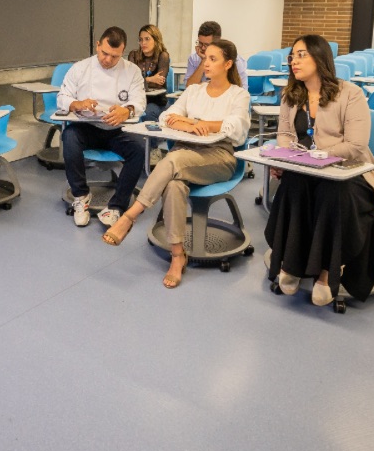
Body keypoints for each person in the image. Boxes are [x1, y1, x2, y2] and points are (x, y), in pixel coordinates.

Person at [102, 39, 250, 289]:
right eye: (205, 58)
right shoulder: (194, 91)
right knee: (173, 186)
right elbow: (166, 116)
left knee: (173, 159)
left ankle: (130, 215)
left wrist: (201, 123)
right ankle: (177, 256)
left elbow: (236, 128)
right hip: (185, 152)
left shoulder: (238, 94)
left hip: (219, 157)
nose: (207, 63)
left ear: (228, 64)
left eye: (213, 59)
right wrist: (192, 125)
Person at [265, 34, 374, 306]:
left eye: (302, 54)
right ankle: (292, 263)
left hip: (350, 174)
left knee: (333, 191)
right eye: (292, 56)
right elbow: (284, 134)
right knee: (293, 185)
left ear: (320, 58)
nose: (294, 61)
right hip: (304, 171)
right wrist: (286, 158)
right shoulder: (290, 95)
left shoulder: (350, 93)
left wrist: (317, 156)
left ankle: (328, 270)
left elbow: (355, 145)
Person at [57, 26, 146, 228]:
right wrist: (76, 104)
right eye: (104, 53)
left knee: (138, 151)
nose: (108, 60)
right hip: (86, 126)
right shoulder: (80, 68)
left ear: (122, 52)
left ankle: (116, 206)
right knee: (69, 137)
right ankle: (81, 196)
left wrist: (128, 110)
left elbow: (140, 101)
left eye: (114, 56)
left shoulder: (132, 71)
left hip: (117, 130)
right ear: (98, 45)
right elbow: (62, 97)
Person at [185, 20, 248, 88]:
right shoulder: (194, 58)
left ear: (217, 42)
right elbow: (189, 87)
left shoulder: (234, 59)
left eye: (207, 45)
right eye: (200, 43)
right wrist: (203, 61)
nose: (202, 48)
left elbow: (242, 89)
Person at [127, 24, 170, 123]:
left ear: (156, 40)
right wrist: (149, 79)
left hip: (156, 101)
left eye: (147, 39)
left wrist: (140, 81)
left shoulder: (163, 56)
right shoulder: (133, 55)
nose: (143, 43)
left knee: (148, 112)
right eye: (141, 39)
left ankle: (152, 138)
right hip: (136, 98)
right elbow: (130, 81)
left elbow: (158, 84)